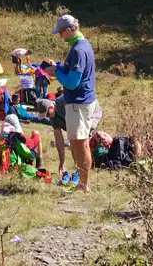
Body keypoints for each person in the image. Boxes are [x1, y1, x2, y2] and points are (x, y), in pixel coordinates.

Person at [51, 14, 99, 192]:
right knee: (77, 142)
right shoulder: (80, 45)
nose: (60, 36)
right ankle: (83, 182)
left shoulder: (78, 50)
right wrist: (58, 67)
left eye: (61, 32)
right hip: (77, 102)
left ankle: (84, 184)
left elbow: (72, 82)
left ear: (71, 29)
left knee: (81, 143)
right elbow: (71, 72)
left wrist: (56, 73)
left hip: (80, 102)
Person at [35, 95, 102, 187]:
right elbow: (59, 139)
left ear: (51, 107)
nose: (47, 117)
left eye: (47, 114)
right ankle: (79, 170)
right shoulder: (53, 117)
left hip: (89, 112)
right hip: (76, 120)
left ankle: (84, 180)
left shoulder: (65, 103)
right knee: (74, 143)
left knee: (81, 142)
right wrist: (62, 162)